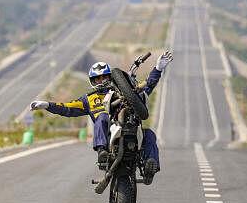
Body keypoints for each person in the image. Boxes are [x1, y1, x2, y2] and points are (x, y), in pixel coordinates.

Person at [30, 51, 173, 185]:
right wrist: (47, 105)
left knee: (149, 134)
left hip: (131, 128)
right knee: (102, 117)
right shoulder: (89, 99)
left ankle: (150, 165)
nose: (102, 81)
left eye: (105, 76)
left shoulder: (123, 90)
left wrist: (158, 68)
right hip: (107, 135)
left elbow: (147, 87)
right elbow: (67, 108)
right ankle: (102, 152)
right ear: (93, 81)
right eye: (97, 78)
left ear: (111, 77)